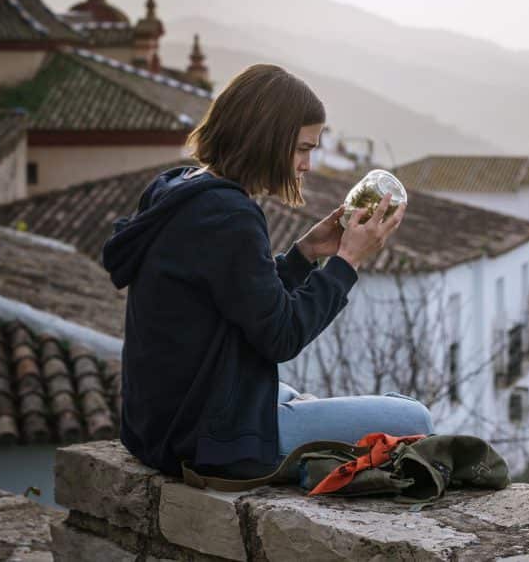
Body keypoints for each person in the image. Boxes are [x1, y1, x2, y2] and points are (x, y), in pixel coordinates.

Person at [101, 64, 434, 479]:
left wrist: (306, 253)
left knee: (299, 397)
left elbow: (244, 299)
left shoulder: (180, 189)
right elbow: (281, 336)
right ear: (265, 140)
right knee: (414, 419)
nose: (308, 164)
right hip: (207, 440)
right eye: (301, 149)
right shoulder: (230, 215)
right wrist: (347, 263)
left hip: (158, 427)